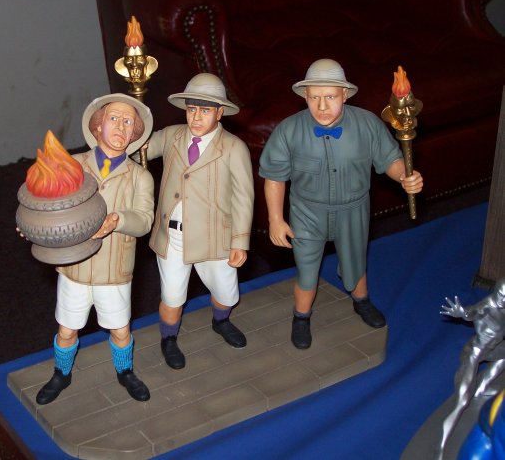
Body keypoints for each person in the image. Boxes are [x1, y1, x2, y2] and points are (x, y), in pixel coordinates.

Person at [259, 58, 424, 350]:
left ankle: (361, 301)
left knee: (355, 261)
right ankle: (301, 316)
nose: (322, 106)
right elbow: (274, 178)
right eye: (315, 98)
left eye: (330, 97)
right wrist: (275, 219)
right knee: (306, 268)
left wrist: (404, 177)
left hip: (353, 210)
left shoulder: (368, 124)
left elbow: (390, 160)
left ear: (345, 95)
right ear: (305, 96)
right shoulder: (288, 131)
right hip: (306, 213)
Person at [35, 93, 155, 404]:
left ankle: (125, 370)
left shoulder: (140, 177)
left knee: (120, 329)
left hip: (113, 270)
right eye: (114, 118)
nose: (121, 126)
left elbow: (144, 220)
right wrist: (34, 226)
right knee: (67, 329)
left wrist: (117, 220)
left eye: (128, 122)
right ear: (98, 125)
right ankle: (61, 373)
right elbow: (48, 203)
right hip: (74, 268)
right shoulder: (73, 165)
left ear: (135, 133)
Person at [144, 73, 254, 369]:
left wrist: (240, 241)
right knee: (172, 296)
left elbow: (243, 197)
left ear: (219, 112)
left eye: (205, 110)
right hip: (173, 236)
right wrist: (131, 127)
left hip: (214, 237)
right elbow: (140, 150)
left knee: (226, 293)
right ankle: (168, 338)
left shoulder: (233, 148)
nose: (196, 116)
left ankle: (221, 320)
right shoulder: (171, 136)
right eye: (192, 109)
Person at [438, 278, 505, 457]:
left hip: (493, 350)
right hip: (475, 352)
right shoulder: (488, 305)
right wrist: (462, 313)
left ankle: (482, 388)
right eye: (501, 295)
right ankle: (440, 447)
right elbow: (472, 312)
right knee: (461, 402)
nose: (503, 300)